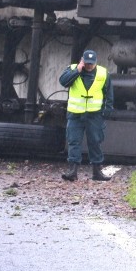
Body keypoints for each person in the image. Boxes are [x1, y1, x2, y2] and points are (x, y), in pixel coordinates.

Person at [59, 49, 114, 182]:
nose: (89, 66)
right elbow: (63, 82)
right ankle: (73, 171)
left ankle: (97, 171)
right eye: (87, 63)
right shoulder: (72, 69)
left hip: (94, 115)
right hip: (75, 114)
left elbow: (109, 93)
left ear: (95, 62)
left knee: (95, 142)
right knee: (73, 141)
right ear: (82, 61)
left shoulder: (103, 73)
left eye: (91, 64)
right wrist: (77, 71)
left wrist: (107, 110)